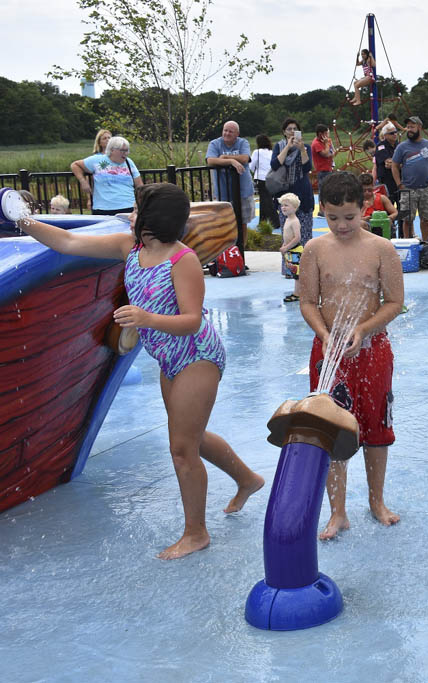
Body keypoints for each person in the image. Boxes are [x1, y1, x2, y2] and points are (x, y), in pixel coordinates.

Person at [11, 184, 265, 559]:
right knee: (190, 438)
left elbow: (193, 320)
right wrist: (22, 219)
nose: (130, 214)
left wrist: (146, 318)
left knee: (181, 449)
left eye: (137, 209)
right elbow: (66, 242)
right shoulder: (129, 248)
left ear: (152, 219)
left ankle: (196, 533)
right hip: (169, 358)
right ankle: (248, 479)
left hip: (197, 355)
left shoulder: (183, 260)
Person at [299, 172, 404, 539]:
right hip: (328, 352)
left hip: (373, 349)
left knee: (376, 426)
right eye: (332, 217)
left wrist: (364, 329)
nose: (342, 225)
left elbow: (394, 302)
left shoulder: (381, 249)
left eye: (349, 216)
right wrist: (324, 333)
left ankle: (376, 502)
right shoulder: (314, 250)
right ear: (321, 212)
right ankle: (337, 512)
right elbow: (308, 301)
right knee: (331, 429)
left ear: (364, 208)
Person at [270, 118, 314, 274]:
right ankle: (289, 269)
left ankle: (307, 269)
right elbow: (275, 165)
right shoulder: (279, 146)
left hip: (303, 194)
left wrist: (302, 149)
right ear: (284, 132)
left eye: (295, 129)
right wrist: (288, 146)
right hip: (285, 196)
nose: (292, 131)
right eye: (289, 129)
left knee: (305, 233)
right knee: (288, 233)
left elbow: (307, 167)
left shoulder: (306, 147)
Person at [391, 116, 428, 241]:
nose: (409, 129)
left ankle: (425, 242)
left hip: (425, 188)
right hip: (407, 188)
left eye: (412, 127)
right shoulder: (402, 147)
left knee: (425, 219)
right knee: (407, 219)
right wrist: (399, 184)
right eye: (408, 127)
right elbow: (394, 166)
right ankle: (407, 242)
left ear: (420, 127)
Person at [71, 136, 143, 215]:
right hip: (103, 208)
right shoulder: (97, 160)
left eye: (127, 150)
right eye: (122, 150)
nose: (126, 153)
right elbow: (75, 165)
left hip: (128, 206)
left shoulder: (129, 162)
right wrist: (83, 181)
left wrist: (140, 203)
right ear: (112, 150)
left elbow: (139, 185)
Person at [206, 121, 255, 229]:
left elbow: (245, 158)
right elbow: (210, 160)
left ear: (237, 134)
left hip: (243, 191)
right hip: (223, 192)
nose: (227, 133)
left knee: (242, 223)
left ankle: (242, 246)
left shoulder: (243, 143)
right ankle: (228, 246)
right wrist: (232, 162)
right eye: (225, 130)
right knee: (224, 223)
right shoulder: (215, 143)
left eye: (230, 131)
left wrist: (224, 157)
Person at [249, 134, 279, 228]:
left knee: (266, 201)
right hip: (272, 178)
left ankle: (276, 222)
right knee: (265, 200)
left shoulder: (256, 152)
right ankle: (262, 221)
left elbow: (251, 166)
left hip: (261, 178)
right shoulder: (272, 152)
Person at [278, 193, 302, 296]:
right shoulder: (287, 219)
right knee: (293, 272)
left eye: (286, 205)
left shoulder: (294, 221)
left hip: (296, 250)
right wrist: (284, 246)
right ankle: (297, 292)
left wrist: (286, 247)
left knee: (297, 274)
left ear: (295, 207)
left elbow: (297, 237)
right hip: (290, 250)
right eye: (282, 205)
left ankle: (297, 293)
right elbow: (287, 236)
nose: (283, 207)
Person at [374, 123, 400, 209]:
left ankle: (401, 223)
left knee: (403, 209)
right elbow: (388, 163)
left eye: (396, 132)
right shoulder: (381, 146)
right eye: (392, 133)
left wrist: (396, 164)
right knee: (388, 208)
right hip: (387, 181)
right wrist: (401, 164)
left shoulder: (399, 145)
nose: (395, 134)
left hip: (399, 180)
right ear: (385, 135)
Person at [310, 124, 336, 189]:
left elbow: (334, 152)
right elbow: (325, 154)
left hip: (329, 169)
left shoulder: (326, 140)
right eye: (326, 133)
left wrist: (330, 151)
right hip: (322, 171)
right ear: (320, 134)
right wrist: (327, 144)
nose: (327, 135)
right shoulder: (316, 143)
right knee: (324, 190)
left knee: (330, 189)